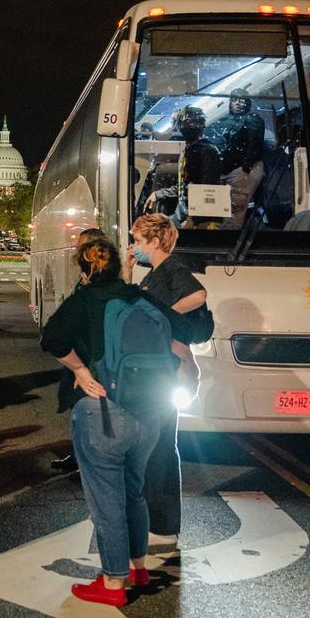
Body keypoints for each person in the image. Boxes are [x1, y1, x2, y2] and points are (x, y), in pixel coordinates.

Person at [39, 239, 196, 606]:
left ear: (84, 270)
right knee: (134, 493)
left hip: (104, 411)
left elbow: (51, 338)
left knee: (106, 502)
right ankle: (138, 567)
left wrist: (79, 370)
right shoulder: (142, 297)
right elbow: (185, 332)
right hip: (150, 412)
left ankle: (112, 583)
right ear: (120, 265)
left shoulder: (85, 299)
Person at [128, 214, 210, 547]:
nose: (134, 246)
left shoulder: (172, 269)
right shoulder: (152, 274)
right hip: (156, 365)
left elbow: (199, 295)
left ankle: (163, 526)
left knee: (161, 446)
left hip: (168, 367)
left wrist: (164, 316)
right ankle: (156, 521)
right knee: (152, 444)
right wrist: (128, 268)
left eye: (137, 241)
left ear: (155, 242)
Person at [50, 227, 106, 473]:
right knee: (78, 409)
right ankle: (77, 456)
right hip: (78, 354)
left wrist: (86, 369)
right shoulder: (86, 278)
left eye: (80, 246)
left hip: (90, 358)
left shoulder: (103, 282)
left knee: (89, 409)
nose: (75, 251)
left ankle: (89, 461)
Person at [208, 88, 266, 229]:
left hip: (242, 170)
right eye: (235, 100)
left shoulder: (253, 118)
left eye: (242, 100)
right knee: (223, 210)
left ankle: (229, 241)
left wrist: (246, 166)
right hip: (229, 169)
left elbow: (254, 144)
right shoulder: (226, 120)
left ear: (247, 102)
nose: (238, 103)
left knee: (235, 210)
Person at [173, 106, 221, 229]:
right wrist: (158, 194)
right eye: (188, 122)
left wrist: (194, 220)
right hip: (188, 212)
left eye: (195, 122)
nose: (191, 126)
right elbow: (184, 184)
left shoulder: (207, 151)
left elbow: (209, 189)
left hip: (203, 219)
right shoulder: (189, 150)